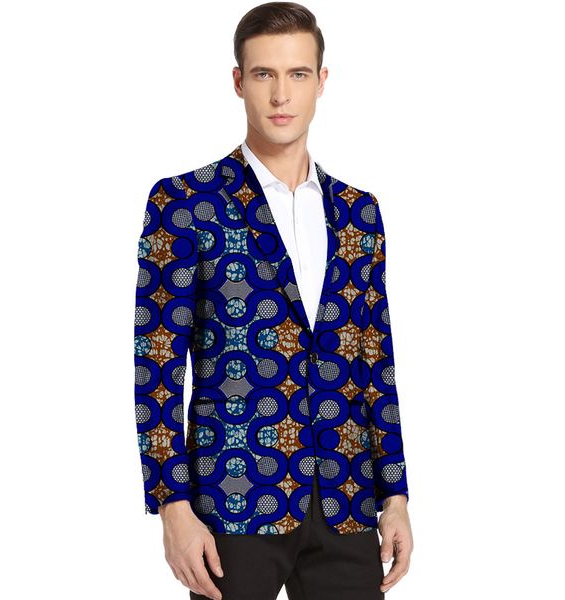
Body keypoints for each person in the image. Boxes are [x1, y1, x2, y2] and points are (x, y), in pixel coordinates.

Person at [133, 3, 413, 599]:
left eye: (297, 74)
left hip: (346, 500)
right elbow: (156, 363)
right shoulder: (184, 203)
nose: (281, 95)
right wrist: (172, 506)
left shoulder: (359, 213)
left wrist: (395, 495)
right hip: (232, 503)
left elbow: (376, 363)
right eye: (264, 74)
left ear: (321, 81)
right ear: (239, 81)